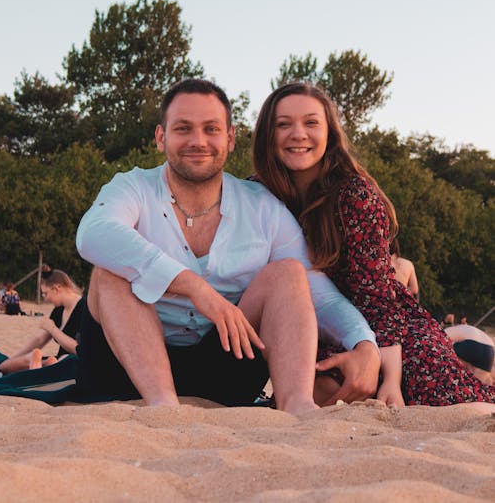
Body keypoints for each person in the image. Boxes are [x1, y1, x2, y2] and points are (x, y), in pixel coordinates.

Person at [75, 78, 381, 413]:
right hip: (124, 369)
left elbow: (315, 291)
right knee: (109, 273)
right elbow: (93, 233)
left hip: (223, 369)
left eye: (211, 129)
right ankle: (164, 408)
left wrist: (363, 341)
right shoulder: (132, 186)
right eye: (183, 129)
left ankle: (298, 408)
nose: (198, 141)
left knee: (289, 273)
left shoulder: (262, 206)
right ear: (161, 137)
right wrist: (194, 287)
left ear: (230, 138)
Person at [252, 81, 495, 407]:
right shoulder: (255, 196)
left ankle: (460, 352)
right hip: (308, 329)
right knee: (322, 385)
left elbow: (378, 299)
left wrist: (391, 378)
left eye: (311, 123)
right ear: (268, 135)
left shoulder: (354, 195)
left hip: (388, 330)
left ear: (330, 133)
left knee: (439, 395)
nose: (298, 134)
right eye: (284, 124)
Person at [0, 269, 84, 376]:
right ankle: (42, 363)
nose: (45, 299)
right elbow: (39, 340)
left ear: (57, 288)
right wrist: (12, 360)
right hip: (58, 360)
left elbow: (78, 349)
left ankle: (44, 365)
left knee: (64, 360)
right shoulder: (59, 309)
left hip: (75, 362)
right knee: (4, 367)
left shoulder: (85, 308)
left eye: (45, 294)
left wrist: (52, 329)